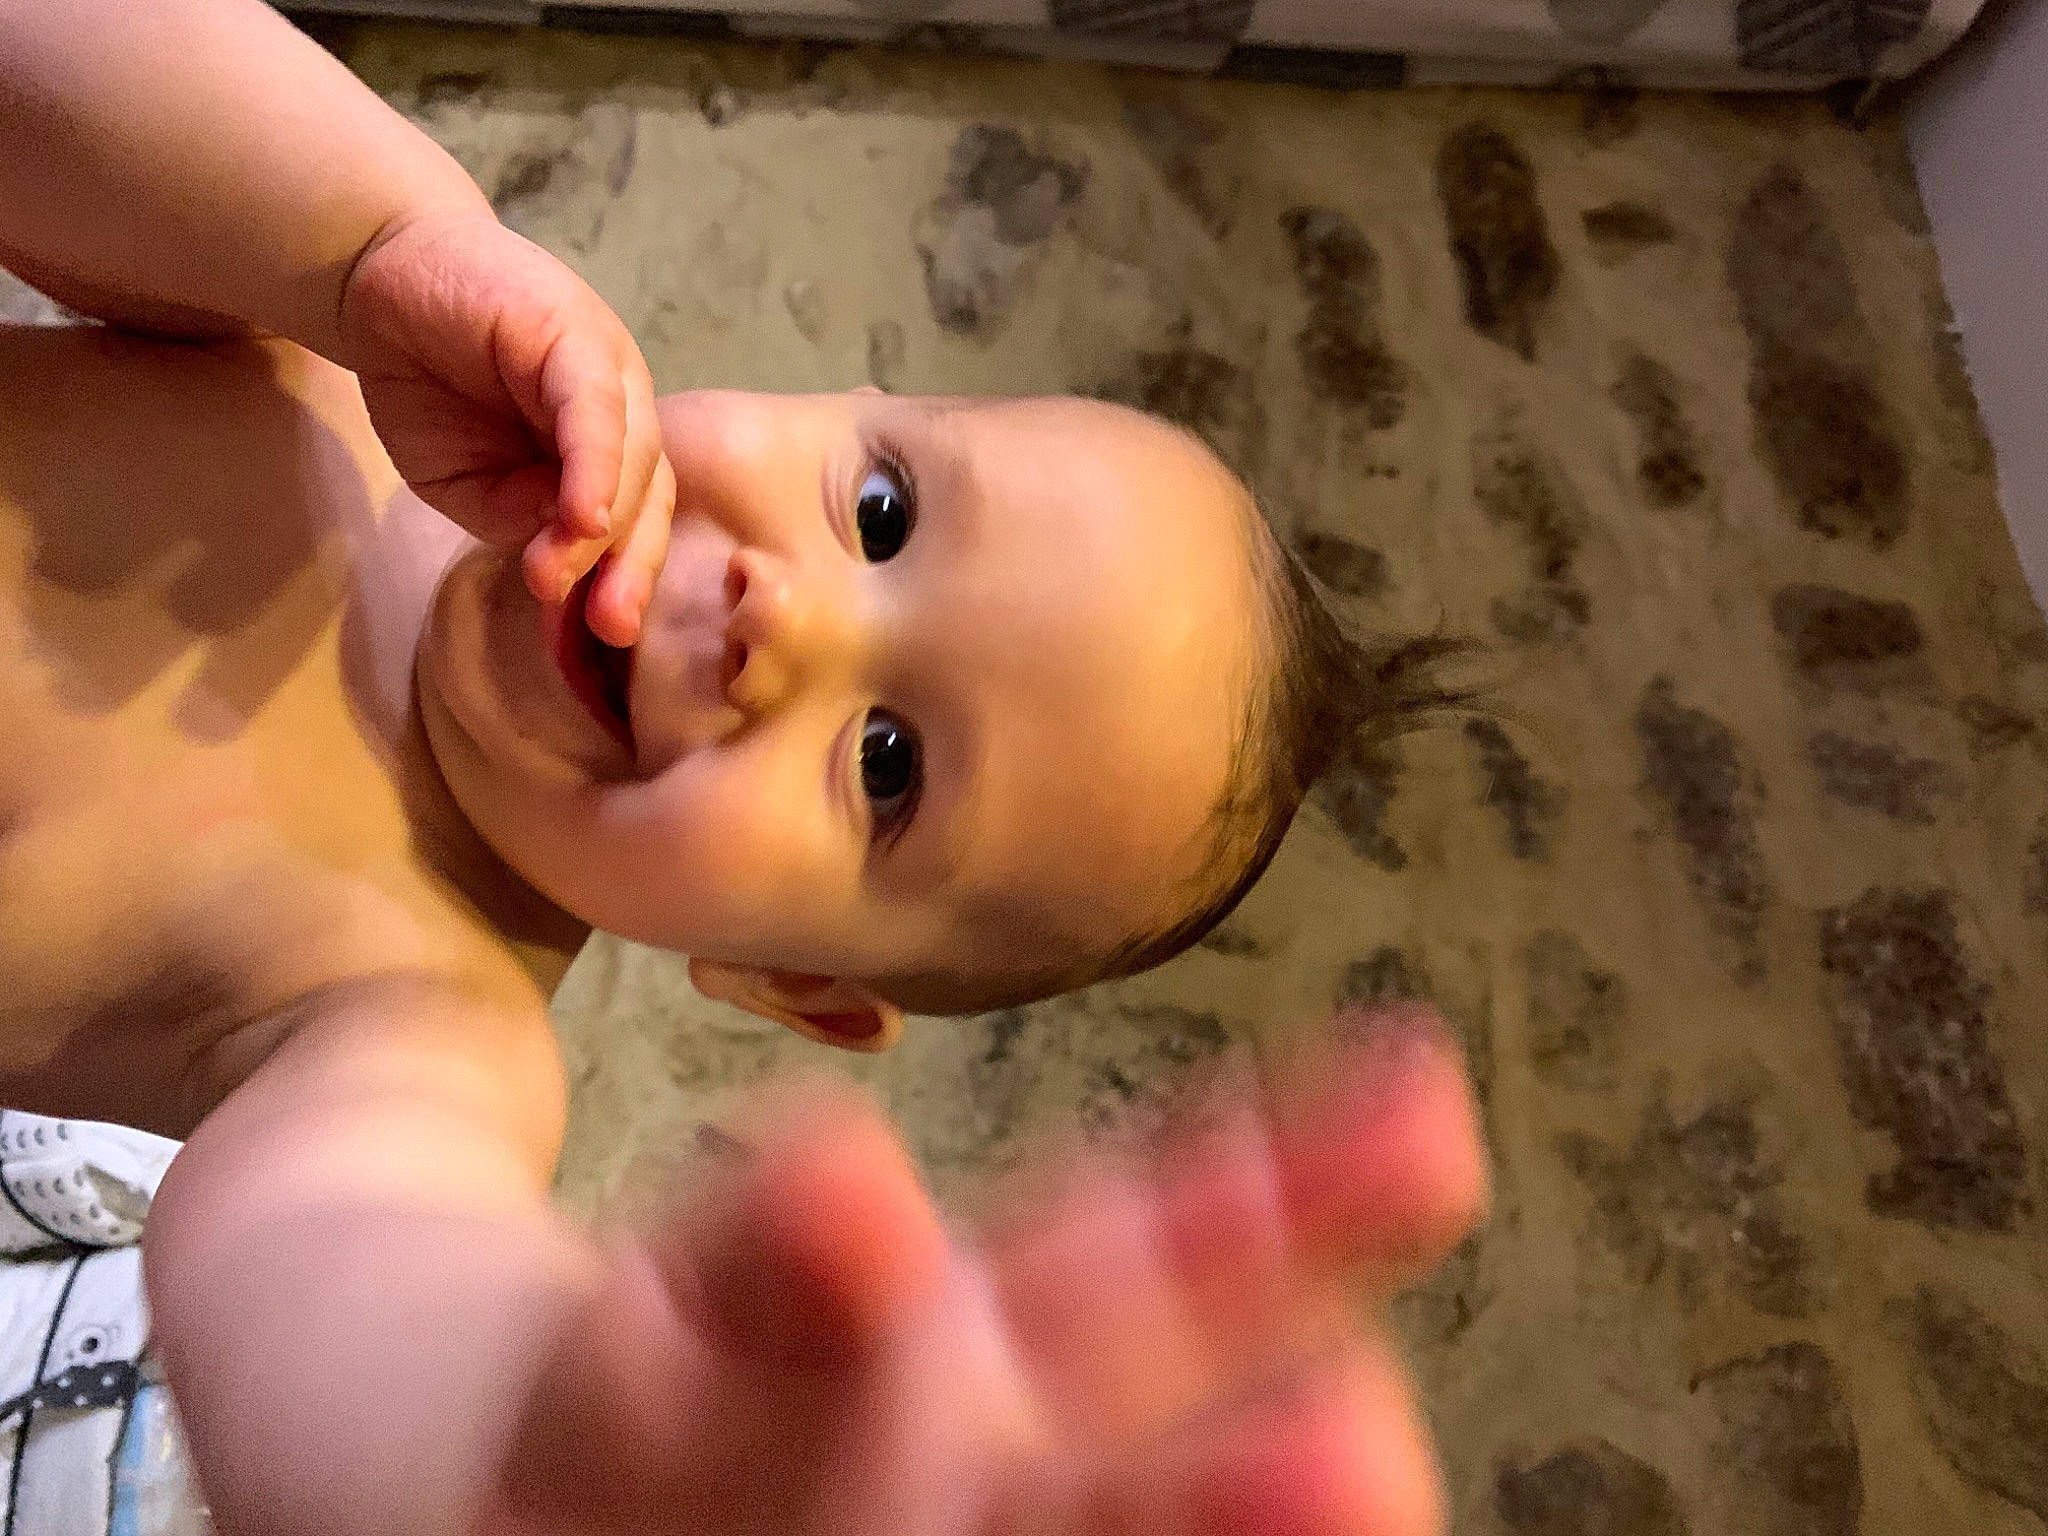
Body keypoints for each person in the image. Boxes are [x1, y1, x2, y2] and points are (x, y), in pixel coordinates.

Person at [0, 3, 1486, 1534]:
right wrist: (371, 238)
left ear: (789, 984)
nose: (794, 619)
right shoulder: (352, 371)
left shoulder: (428, 1021)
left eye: (889, 762)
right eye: (887, 515)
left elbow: (338, 1267)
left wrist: (509, 1444)